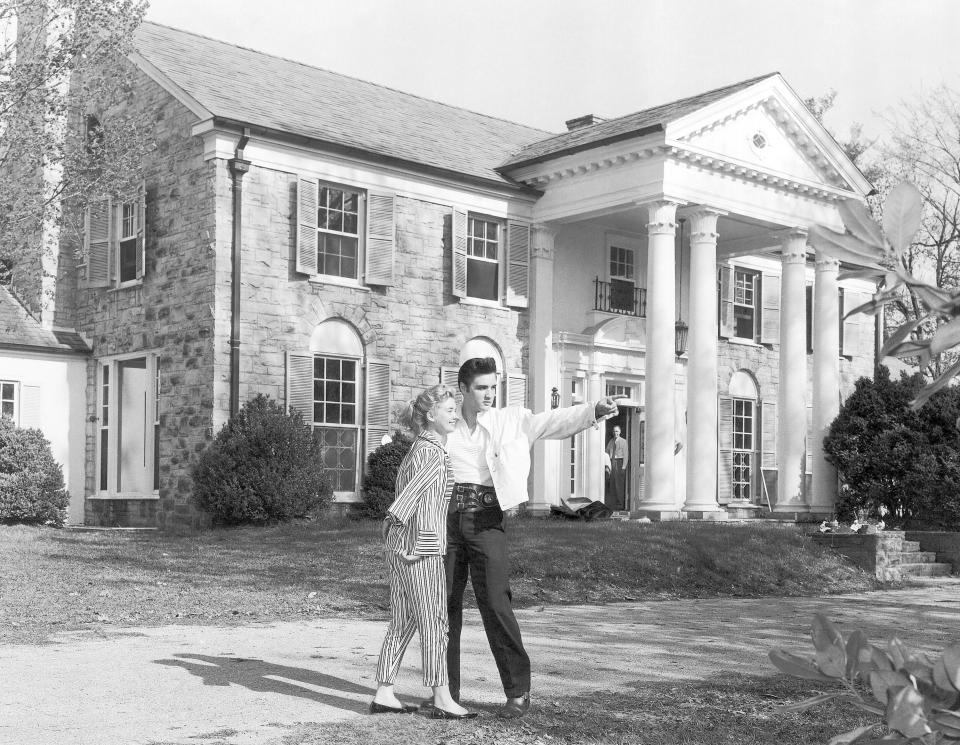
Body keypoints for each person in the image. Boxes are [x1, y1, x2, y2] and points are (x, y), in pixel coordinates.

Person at [444, 357, 622, 718]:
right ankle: (445, 694)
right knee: (442, 608)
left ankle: (518, 693)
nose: (490, 394)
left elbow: (551, 422)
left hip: (486, 519)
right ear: (462, 388)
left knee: (495, 602)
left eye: (493, 386)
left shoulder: (510, 420)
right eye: (481, 388)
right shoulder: (443, 423)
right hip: (445, 519)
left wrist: (592, 410)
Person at [370, 385, 478, 720]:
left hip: (402, 546)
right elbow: (414, 493)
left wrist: (394, 523)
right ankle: (442, 697)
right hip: (421, 548)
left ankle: (384, 693)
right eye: (448, 410)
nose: (455, 415)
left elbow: (416, 492)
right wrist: (393, 516)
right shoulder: (433, 451)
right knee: (434, 621)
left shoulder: (419, 447)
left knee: (403, 621)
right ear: (431, 416)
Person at [605, 425, 628, 511]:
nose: (616, 433)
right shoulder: (611, 441)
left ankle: (620, 505)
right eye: (614, 431)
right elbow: (606, 453)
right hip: (611, 463)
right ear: (612, 432)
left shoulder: (623, 441)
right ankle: (613, 505)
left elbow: (626, 455)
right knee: (612, 485)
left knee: (619, 485)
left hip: (619, 463)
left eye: (617, 431)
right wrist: (606, 465)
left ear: (620, 432)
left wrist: (623, 467)